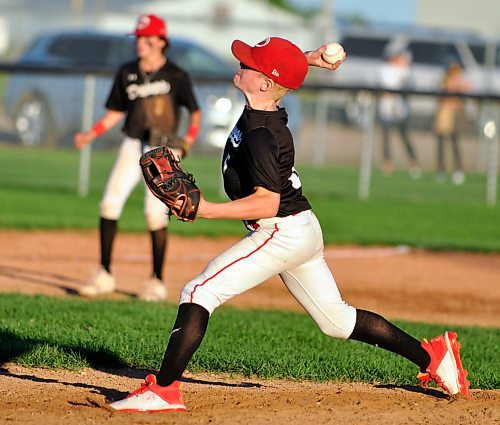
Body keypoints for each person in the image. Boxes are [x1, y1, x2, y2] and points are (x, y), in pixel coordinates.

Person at [108, 37, 470, 412]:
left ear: (264, 83)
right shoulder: (262, 106)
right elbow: (281, 77)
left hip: (280, 231)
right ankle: (434, 358)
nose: (241, 63)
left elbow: (268, 202)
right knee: (337, 321)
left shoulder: (262, 135)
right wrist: (309, 60)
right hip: (302, 227)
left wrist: (205, 209)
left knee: (199, 292)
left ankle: (164, 390)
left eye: (250, 63)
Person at [74, 14, 202, 301]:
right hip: (133, 143)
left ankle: (156, 282)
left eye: (146, 38)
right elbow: (115, 113)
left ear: (161, 41)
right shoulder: (127, 72)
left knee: (153, 211)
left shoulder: (176, 75)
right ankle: (104, 274)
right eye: (138, 38)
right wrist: (90, 134)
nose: (140, 43)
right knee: (109, 203)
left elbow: (195, 112)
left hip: (163, 150)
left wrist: (190, 139)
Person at [378, 48, 421, 179]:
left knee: (404, 136)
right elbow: (387, 86)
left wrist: (404, 65)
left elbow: (407, 83)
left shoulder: (404, 70)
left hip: (400, 108)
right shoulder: (385, 69)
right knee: (386, 137)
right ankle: (387, 163)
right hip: (386, 108)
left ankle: (414, 162)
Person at [433, 62, 472, 185]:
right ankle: (441, 170)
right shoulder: (443, 82)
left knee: (455, 143)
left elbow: (467, 89)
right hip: (444, 116)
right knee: (441, 144)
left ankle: (458, 170)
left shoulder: (460, 82)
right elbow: (441, 95)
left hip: (455, 115)